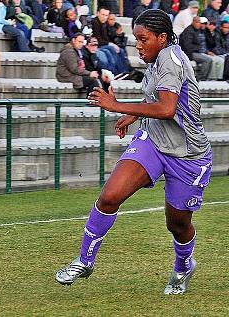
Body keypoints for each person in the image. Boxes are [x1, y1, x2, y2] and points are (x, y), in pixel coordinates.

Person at [55, 9, 212, 296]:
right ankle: (85, 261)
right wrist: (134, 115)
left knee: (177, 224)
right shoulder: (157, 58)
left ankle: (183, 266)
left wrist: (117, 107)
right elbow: (156, 97)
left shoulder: (171, 61)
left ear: (162, 38)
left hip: (187, 154)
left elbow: (166, 108)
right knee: (110, 195)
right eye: (136, 39)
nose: (138, 46)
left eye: (143, 39)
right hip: (153, 139)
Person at [180, 16, 214, 80]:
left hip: (196, 51)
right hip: (189, 53)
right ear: (193, 22)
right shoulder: (189, 31)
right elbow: (187, 46)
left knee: (210, 59)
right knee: (207, 60)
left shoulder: (197, 30)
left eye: (199, 22)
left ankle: (205, 78)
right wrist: (199, 48)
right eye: (197, 22)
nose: (199, 24)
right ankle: (199, 78)